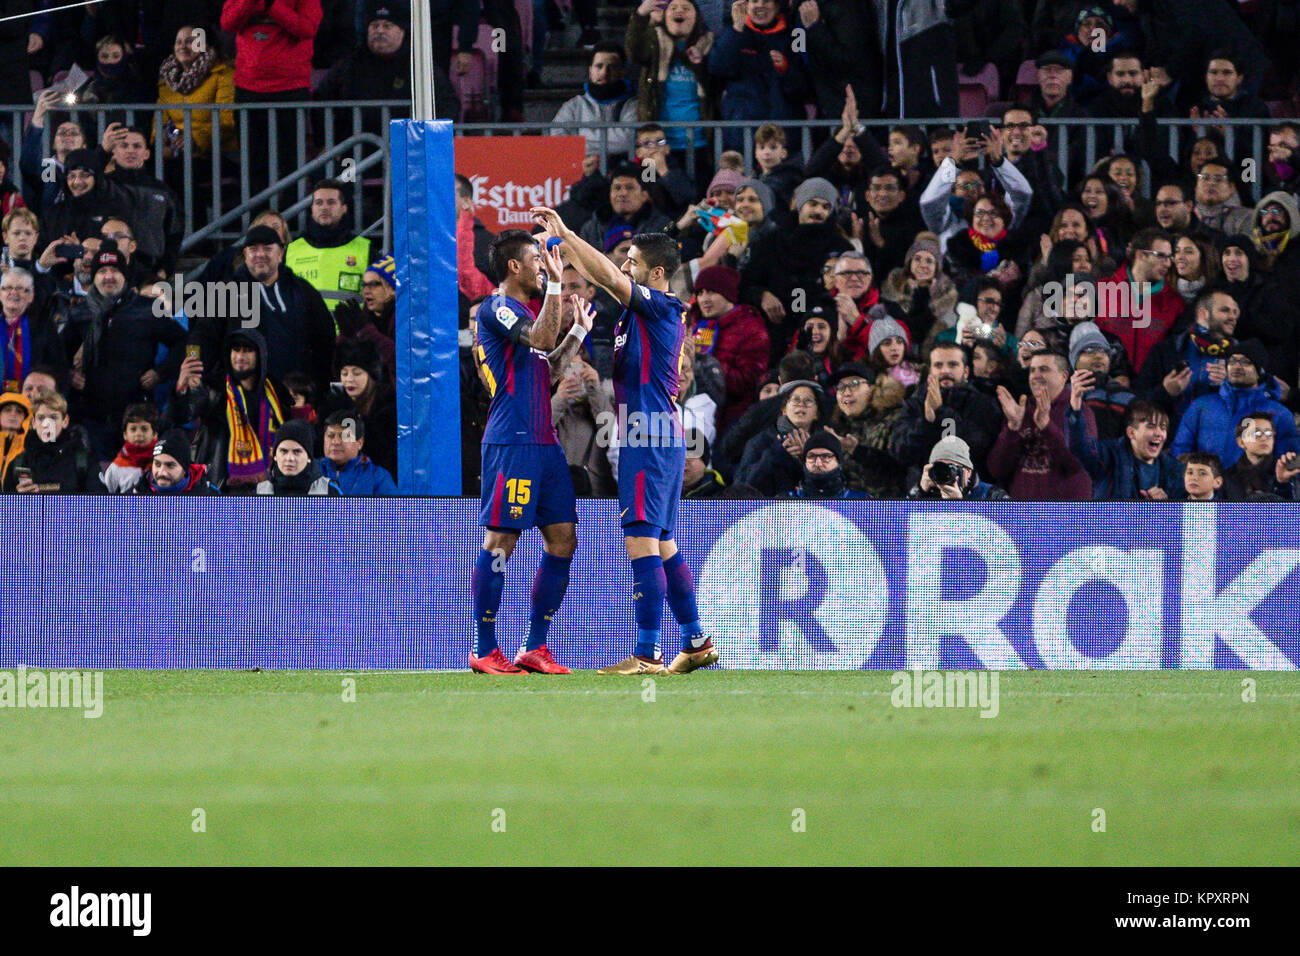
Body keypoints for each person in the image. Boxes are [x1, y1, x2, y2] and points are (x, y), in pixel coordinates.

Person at [532, 207, 717, 676]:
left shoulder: (658, 304)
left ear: (656, 272)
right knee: (663, 542)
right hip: (656, 434)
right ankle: (695, 642)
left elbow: (609, 276)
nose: (625, 267)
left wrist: (568, 236)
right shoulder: (642, 314)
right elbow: (612, 277)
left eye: (632, 261)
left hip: (648, 435)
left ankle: (647, 653)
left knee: (640, 541)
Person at [468, 228, 591, 675]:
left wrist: (577, 330)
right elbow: (540, 340)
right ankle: (483, 646)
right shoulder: (497, 307)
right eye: (537, 262)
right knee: (502, 541)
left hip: (545, 444)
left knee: (563, 539)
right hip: (512, 441)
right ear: (514, 267)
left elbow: (550, 366)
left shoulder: (525, 312)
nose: (544, 267)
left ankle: (535, 645)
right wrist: (557, 287)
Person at [67, 244, 186, 460]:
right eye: (102, 272)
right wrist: (70, 374)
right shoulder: (80, 312)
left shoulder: (147, 308)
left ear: (125, 276)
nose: (109, 276)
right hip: (94, 417)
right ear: (93, 277)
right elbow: (58, 352)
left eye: (115, 271)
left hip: (137, 419)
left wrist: (161, 372)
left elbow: (182, 341)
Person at [173, 328, 290, 492]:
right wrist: (182, 389)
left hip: (268, 487)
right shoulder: (214, 388)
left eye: (248, 350)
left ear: (260, 355)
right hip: (221, 486)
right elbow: (183, 416)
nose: (240, 356)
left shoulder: (277, 393)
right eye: (236, 350)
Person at [1170, 339, 1300, 469]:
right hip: (1205, 486)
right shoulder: (1202, 406)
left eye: (1245, 362)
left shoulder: (1279, 413)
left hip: (1255, 488)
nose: (1237, 366)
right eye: (1232, 361)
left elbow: (1287, 463)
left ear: (1260, 372)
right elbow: (1181, 449)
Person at [987, 350, 1096, 500]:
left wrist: (1046, 426)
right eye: (1032, 370)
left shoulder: (1079, 410)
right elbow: (997, 470)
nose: (1036, 375)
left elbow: (1080, 465)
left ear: (1064, 376)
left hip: (1066, 513)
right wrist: (1012, 428)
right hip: (1022, 512)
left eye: (1044, 369)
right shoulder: (1020, 410)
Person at [890, 340, 1002, 480]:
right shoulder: (915, 403)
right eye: (938, 365)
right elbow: (899, 453)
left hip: (967, 492)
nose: (945, 371)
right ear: (930, 371)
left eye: (953, 364)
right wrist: (926, 422)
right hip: (924, 492)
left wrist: (940, 412)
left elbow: (977, 447)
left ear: (966, 372)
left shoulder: (983, 404)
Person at [93, 124, 182, 280]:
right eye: (124, 146)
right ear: (113, 153)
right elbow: (82, 179)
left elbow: (174, 235)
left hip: (150, 273)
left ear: (146, 154)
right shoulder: (102, 185)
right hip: (107, 269)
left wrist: (165, 270)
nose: (130, 151)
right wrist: (102, 150)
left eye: (137, 146)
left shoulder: (163, 191)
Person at [1068, 395, 1183, 500]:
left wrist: (1165, 507)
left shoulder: (1174, 470)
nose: (1159, 433)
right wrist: (1076, 411)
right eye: (1151, 427)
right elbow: (1081, 447)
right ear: (1131, 433)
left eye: (1163, 428)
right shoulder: (1109, 456)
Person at [284, 179, 372, 314]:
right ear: (312, 209)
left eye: (331, 202)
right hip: (304, 334)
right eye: (319, 203)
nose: (324, 207)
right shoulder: (291, 250)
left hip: (350, 334)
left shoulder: (365, 249)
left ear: (344, 208)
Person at [824, 361, 905, 497]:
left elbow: (899, 468)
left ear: (873, 387)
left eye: (854, 384)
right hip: (843, 512)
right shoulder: (836, 427)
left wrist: (858, 451)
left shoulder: (895, 419)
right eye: (840, 387)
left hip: (888, 510)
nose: (847, 393)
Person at [549, 41, 639, 161]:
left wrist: (578, 137)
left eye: (611, 67)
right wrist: (611, 138)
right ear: (590, 70)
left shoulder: (633, 105)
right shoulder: (573, 105)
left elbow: (628, 140)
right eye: (599, 66)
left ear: (622, 71)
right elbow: (557, 141)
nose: (604, 73)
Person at [734, 379, 824, 497]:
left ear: (816, 413)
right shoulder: (760, 442)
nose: (801, 404)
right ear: (784, 410)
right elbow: (742, 488)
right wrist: (777, 454)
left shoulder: (826, 443)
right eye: (795, 400)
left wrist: (808, 461)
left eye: (808, 400)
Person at [333, 255, 396, 384]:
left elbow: (401, 362)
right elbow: (337, 370)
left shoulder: (406, 320)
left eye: (374, 284)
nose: (366, 291)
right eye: (364, 285)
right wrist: (345, 336)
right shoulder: (364, 316)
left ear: (392, 288)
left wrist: (366, 331)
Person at [2, 267, 67, 394]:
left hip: (33, 400)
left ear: (31, 296)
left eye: (21, 289)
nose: (14, 292)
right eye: (8, 288)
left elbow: (59, 369)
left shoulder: (44, 326)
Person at [1221, 412, 1300, 501]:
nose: (1264, 438)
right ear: (1241, 442)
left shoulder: (1287, 472)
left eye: (1268, 433)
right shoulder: (1227, 477)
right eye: (1257, 433)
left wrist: (1283, 483)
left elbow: (1292, 512)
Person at [318, 409, 398, 495]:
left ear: (359, 443)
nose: (335, 441)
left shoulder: (378, 477)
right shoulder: (311, 471)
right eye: (330, 436)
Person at [907, 434, 1008, 500]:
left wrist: (958, 506)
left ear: (968, 472)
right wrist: (920, 493)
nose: (945, 475)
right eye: (939, 469)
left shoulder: (993, 497)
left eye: (951, 469)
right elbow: (900, 527)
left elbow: (1008, 530)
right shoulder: (926, 493)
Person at [254, 419, 340, 496]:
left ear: (309, 458)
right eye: (283, 451)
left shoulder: (329, 490)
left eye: (297, 452)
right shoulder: (259, 491)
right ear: (275, 456)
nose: (289, 458)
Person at [125, 429, 220, 495]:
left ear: (185, 469)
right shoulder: (135, 494)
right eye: (157, 464)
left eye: (170, 465)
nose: (162, 472)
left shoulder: (209, 497)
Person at [784, 429, 868, 499]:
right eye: (811, 456)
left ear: (838, 462)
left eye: (826, 457)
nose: (818, 463)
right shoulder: (786, 501)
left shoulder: (861, 501)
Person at [100, 402, 159, 494]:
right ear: (125, 434)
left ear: (154, 434)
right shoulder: (116, 467)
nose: (138, 434)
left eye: (144, 429)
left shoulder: (162, 463)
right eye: (133, 429)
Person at [681, 428, 726, 497]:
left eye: (692, 455)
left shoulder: (720, 495)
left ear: (704, 463)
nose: (684, 463)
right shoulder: (662, 494)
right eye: (680, 457)